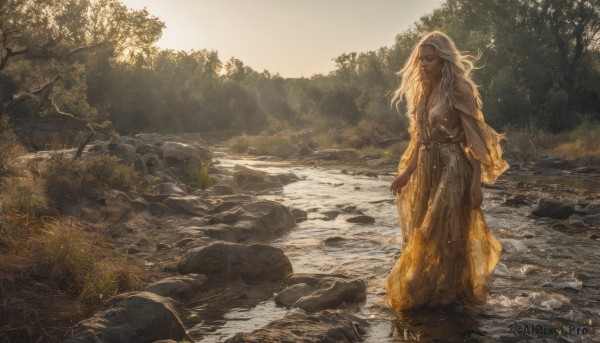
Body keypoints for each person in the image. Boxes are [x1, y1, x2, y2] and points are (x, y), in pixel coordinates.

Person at [386, 31, 509, 312]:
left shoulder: (458, 89)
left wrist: (476, 183)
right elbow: (421, 138)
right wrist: (407, 172)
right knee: (422, 228)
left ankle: (451, 292)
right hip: (427, 168)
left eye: (429, 59)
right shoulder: (423, 90)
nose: (423, 65)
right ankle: (428, 287)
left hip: (453, 167)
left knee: (449, 232)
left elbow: (473, 139)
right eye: (420, 60)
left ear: (444, 59)